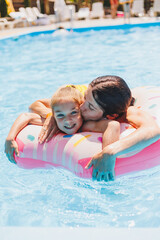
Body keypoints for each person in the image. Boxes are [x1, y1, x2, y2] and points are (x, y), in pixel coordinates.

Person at [28, 75, 160, 181]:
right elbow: (35, 104)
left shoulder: (127, 113)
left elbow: (153, 130)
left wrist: (110, 151)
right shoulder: (81, 101)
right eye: (85, 98)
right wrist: (52, 115)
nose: (82, 107)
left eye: (90, 107)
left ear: (111, 116)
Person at [5, 85, 120, 169]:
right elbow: (26, 116)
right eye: (60, 115)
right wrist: (10, 138)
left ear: (81, 110)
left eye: (74, 113)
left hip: (80, 92)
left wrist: (106, 156)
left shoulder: (86, 123)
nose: (68, 120)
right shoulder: (54, 120)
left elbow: (113, 125)